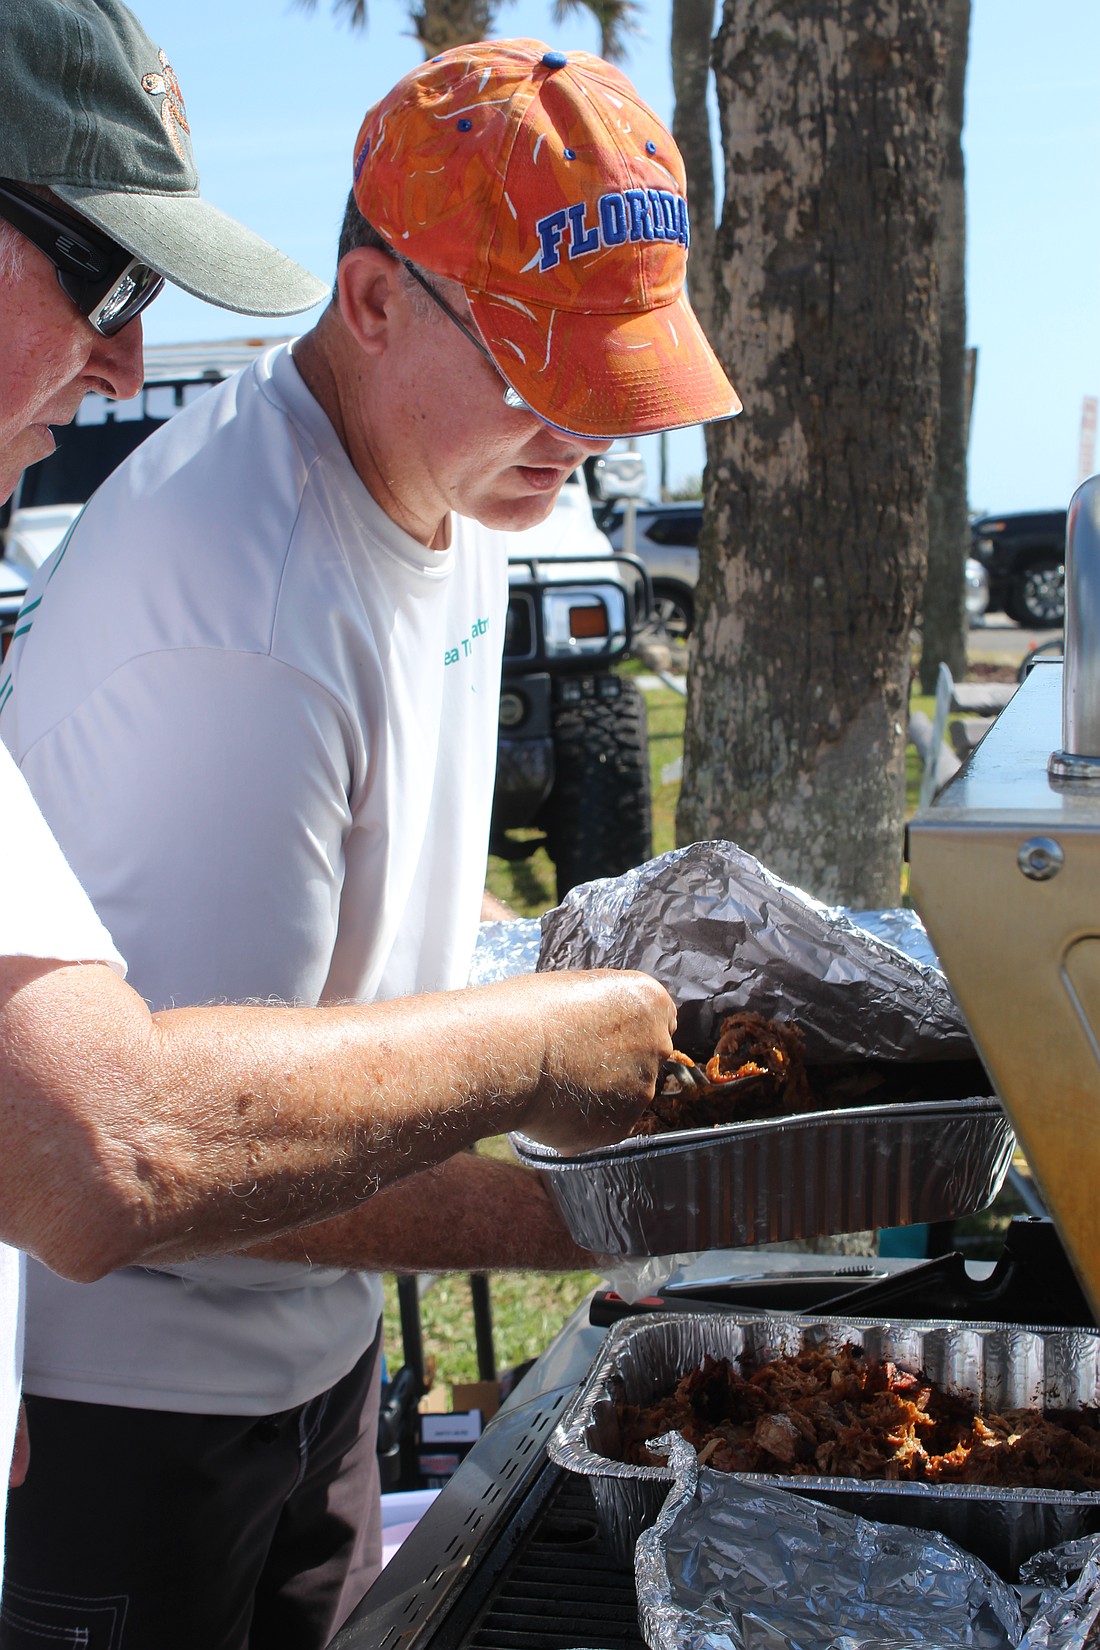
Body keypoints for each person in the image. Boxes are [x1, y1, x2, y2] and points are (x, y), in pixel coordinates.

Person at [0, 29, 741, 1650]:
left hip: (312, 1356)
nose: (584, 430)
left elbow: (358, 972)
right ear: (374, 303)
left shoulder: (465, 490)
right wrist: (619, 1201)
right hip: (134, 1410)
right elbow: (182, 1161)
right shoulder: (241, 610)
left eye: (610, 381)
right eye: (542, 368)